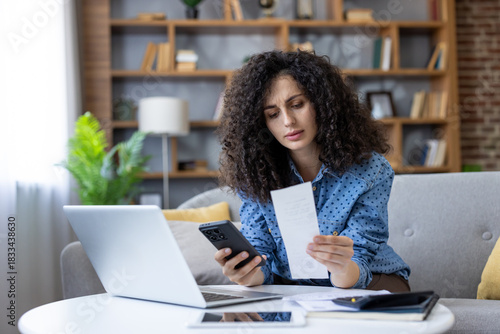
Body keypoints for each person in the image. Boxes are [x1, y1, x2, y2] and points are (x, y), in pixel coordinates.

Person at [214, 50, 410, 292]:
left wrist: (340, 267)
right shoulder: (257, 175)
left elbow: (361, 253)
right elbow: (260, 256)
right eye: (273, 114)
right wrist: (245, 273)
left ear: (322, 103)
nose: (288, 121)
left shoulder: (370, 170)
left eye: (297, 105)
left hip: (368, 281)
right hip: (294, 289)